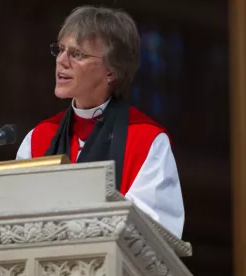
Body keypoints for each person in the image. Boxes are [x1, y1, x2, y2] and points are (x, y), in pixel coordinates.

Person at [16, 5, 184, 238]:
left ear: (111, 71)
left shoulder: (146, 141)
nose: (62, 61)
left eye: (77, 54)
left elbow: (158, 232)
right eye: (61, 50)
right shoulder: (39, 138)